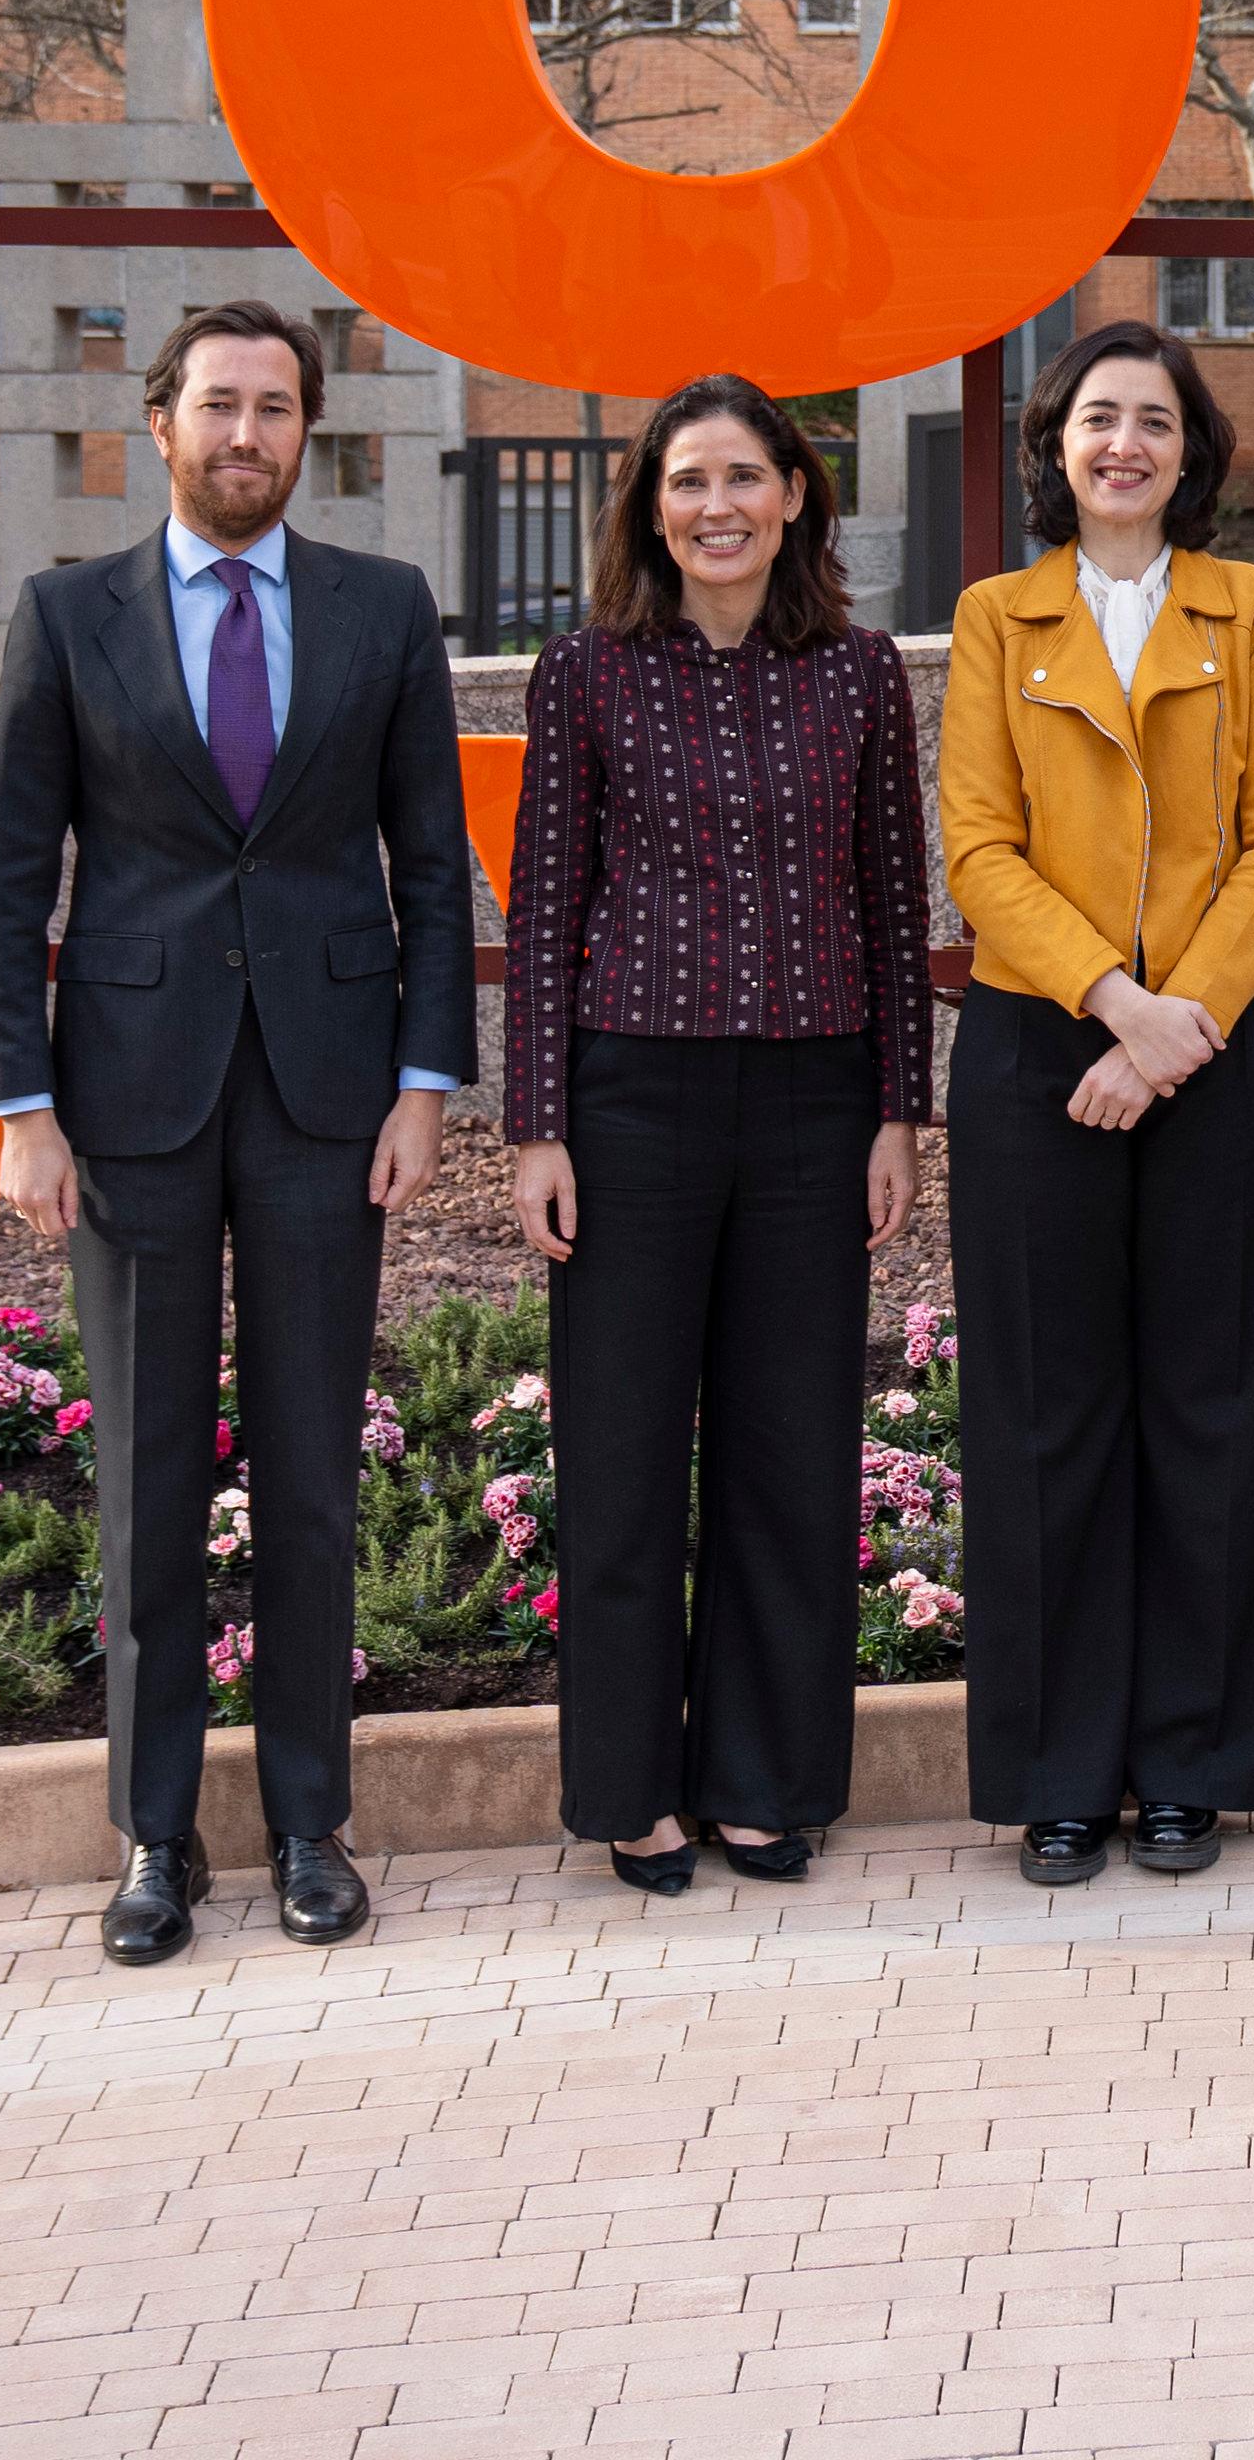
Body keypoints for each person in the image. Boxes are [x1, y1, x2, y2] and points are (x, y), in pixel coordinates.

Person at [0, 298, 477, 1966]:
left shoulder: (383, 611)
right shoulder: (66, 616)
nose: (244, 433)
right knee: (149, 1484)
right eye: (217, 405)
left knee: (315, 1474)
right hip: (129, 1102)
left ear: (305, 430)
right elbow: (10, 874)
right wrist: (22, 1107)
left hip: (333, 1099)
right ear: (161, 423)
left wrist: (424, 1085)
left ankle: (314, 1824)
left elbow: (430, 861)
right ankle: (156, 1839)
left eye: (273, 407)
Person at [498, 376, 927, 1898]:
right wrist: (536, 1125)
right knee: (619, 1457)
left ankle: (766, 1780)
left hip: (817, 1108)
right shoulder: (590, 674)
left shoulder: (863, 676)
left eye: (747, 476)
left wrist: (898, 1111)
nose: (719, 506)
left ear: (796, 495)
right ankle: (631, 1789)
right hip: (632, 1099)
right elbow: (544, 906)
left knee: (790, 1456)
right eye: (689, 481)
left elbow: (893, 902)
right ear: (652, 506)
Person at [931, 320, 1254, 1884]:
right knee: (1045, 1420)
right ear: (1057, 444)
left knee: (1219, 1414)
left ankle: (1193, 1767)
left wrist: (1181, 1025)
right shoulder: (992, 619)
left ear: (1192, 452)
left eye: (1154, 422)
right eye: (1099, 419)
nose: (1124, 446)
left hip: (1224, 1057)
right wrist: (1115, 1004)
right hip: (1044, 1054)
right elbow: (979, 848)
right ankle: (1057, 1775)